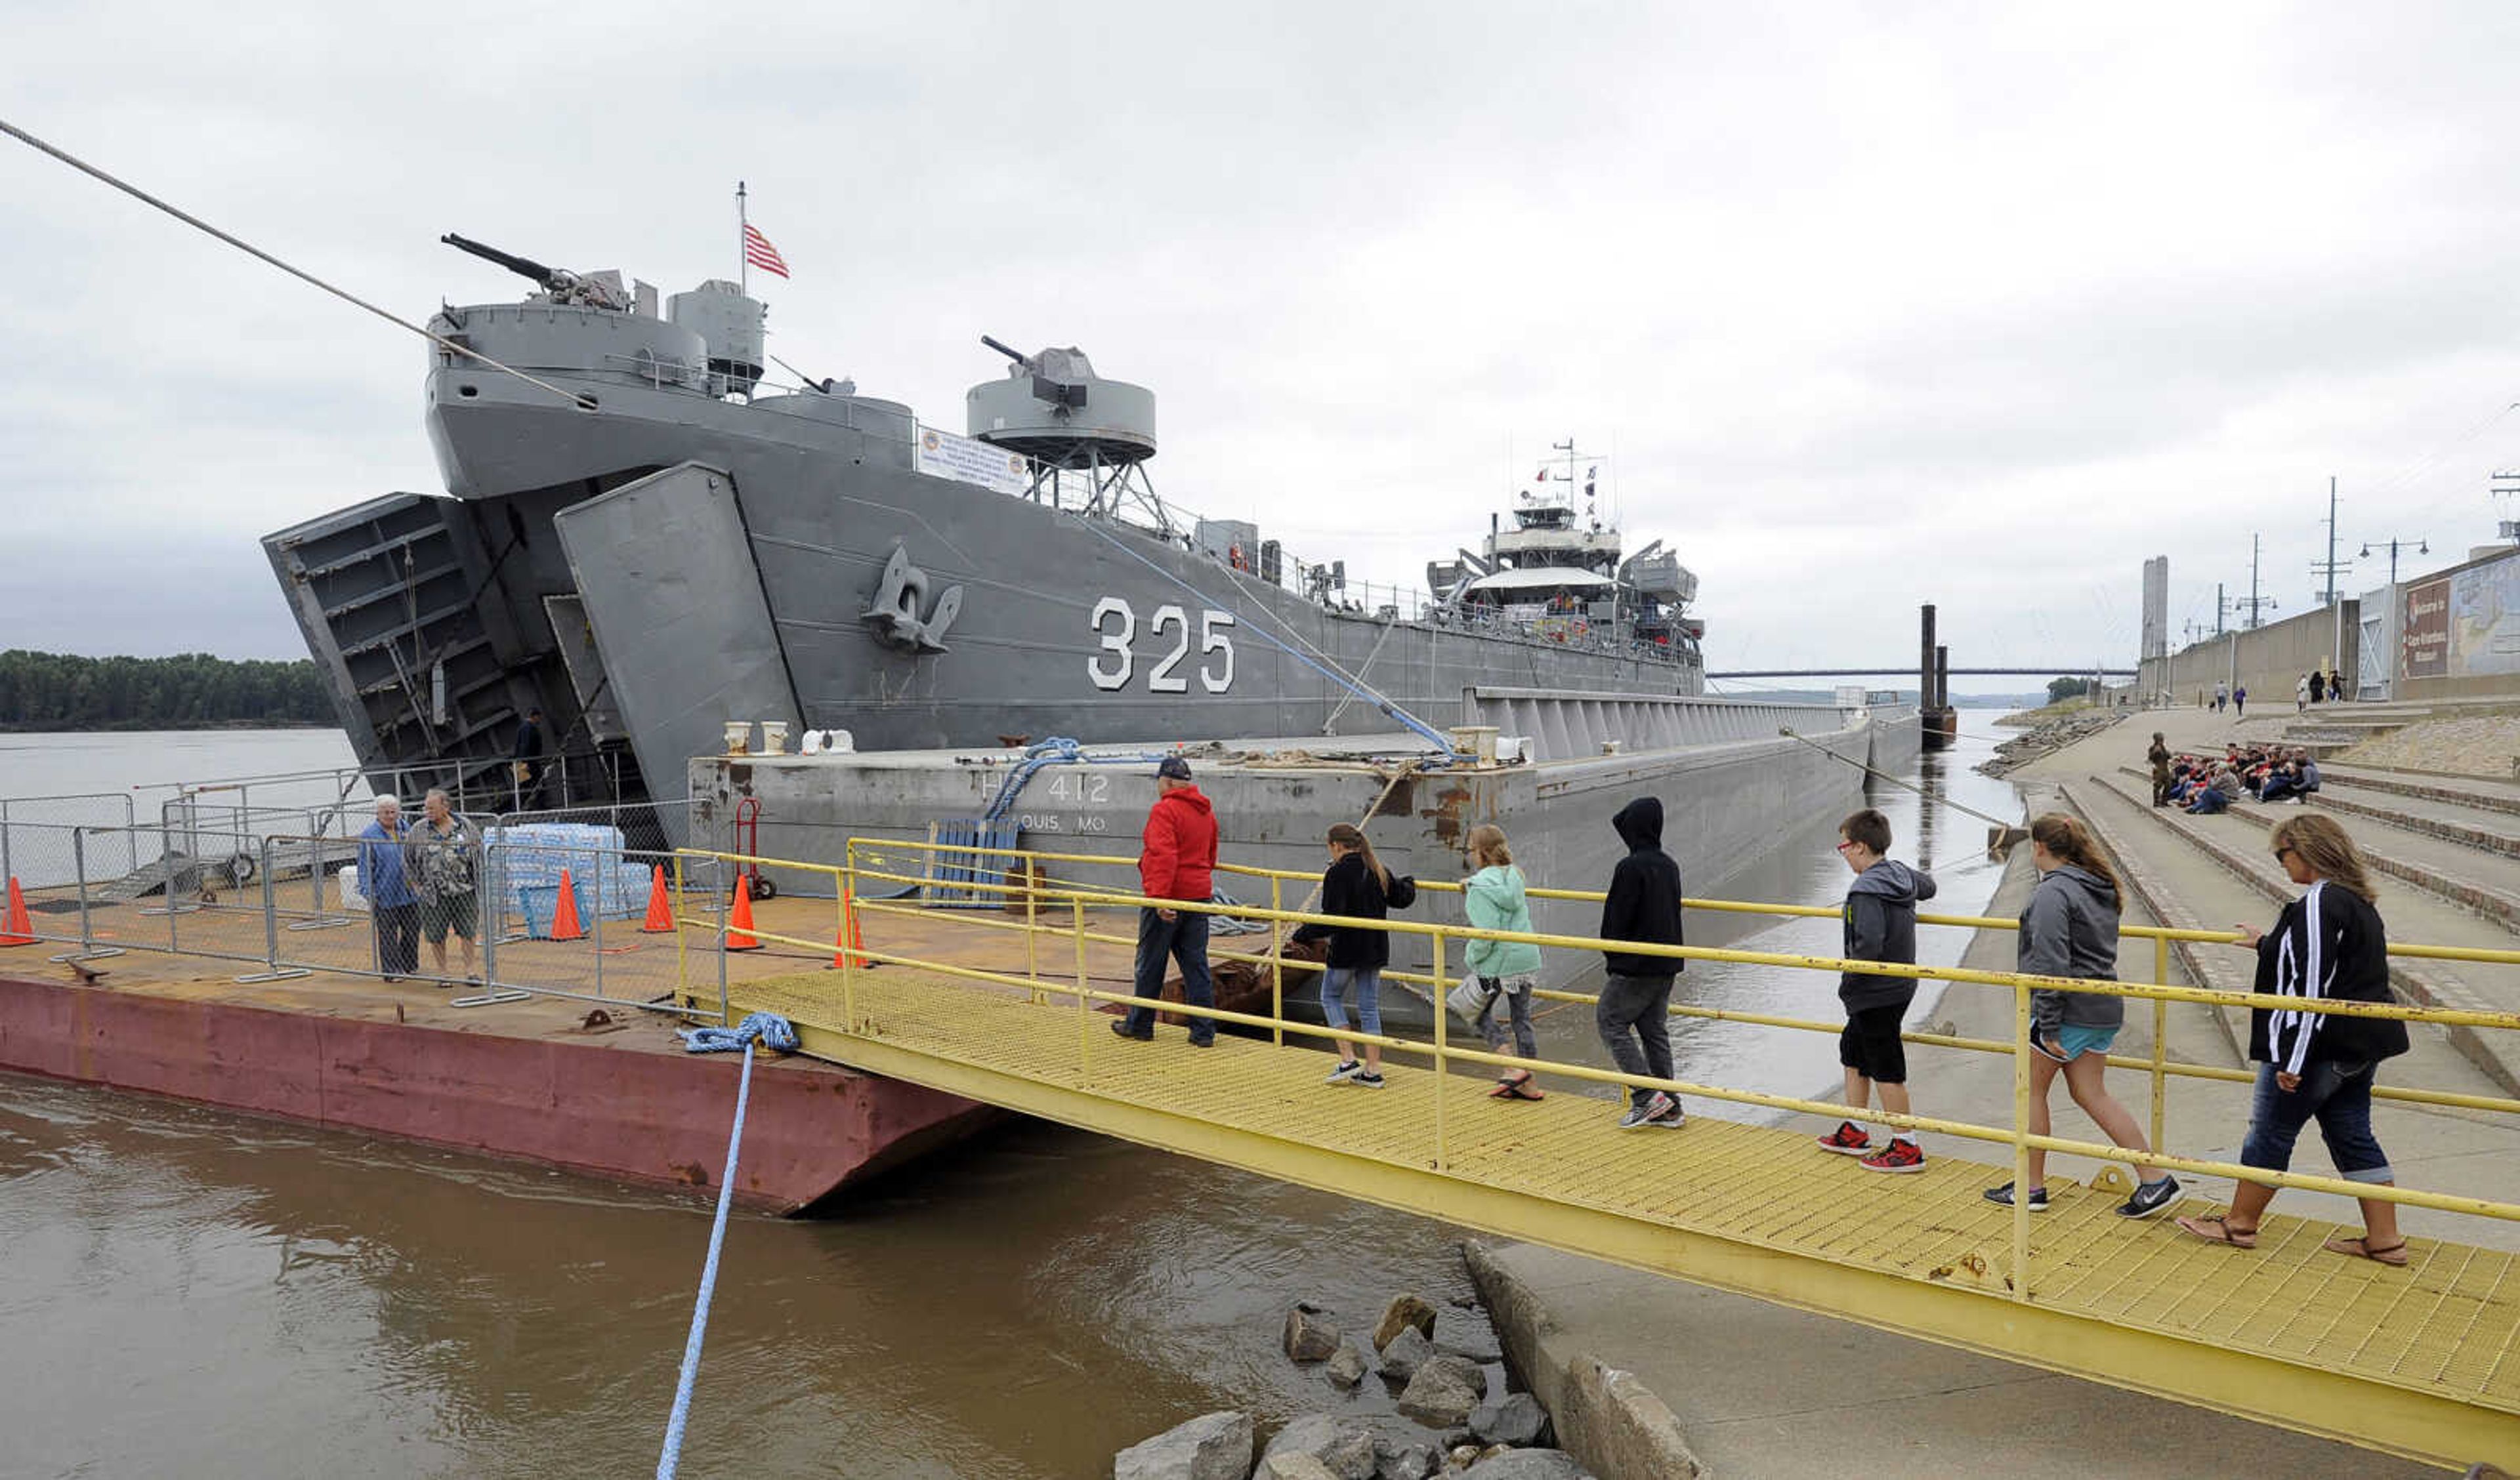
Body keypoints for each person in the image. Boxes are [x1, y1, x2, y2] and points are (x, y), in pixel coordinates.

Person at [2175, 815, 2410, 1264]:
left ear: (2305, 851)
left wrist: (2293, 1060)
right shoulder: (2356, 901)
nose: (2280, 863)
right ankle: (2386, 1240)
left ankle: (2239, 1225)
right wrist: (2268, 944)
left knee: (2269, 1133)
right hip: (2358, 1047)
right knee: (2352, 1134)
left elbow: (2312, 987)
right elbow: (2329, 963)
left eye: (2282, 854)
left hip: (2318, 1048)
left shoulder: (2321, 903)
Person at [1984, 813, 2181, 1218]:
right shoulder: (2098, 884)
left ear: (2039, 847)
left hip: (2067, 1009)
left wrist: (2050, 1021)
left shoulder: (2052, 894)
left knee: (2031, 1092)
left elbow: (2051, 960)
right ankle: (2154, 1179)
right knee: (2091, 1093)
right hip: (2101, 1004)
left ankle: (2031, 1187)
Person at [1816, 808, 1937, 1172]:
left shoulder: (1865, 890)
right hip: (1900, 982)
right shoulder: (1898, 873)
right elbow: (1929, 887)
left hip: (1875, 987)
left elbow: (1867, 945)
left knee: (1885, 1064)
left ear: (1862, 847)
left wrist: (1848, 983)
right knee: (1853, 1049)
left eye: (1845, 846)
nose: (1843, 853)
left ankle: (1907, 1144)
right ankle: (1855, 1128)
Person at [1292, 822, 1416, 1086]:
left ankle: (1347, 1059)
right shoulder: (1377, 869)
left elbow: (1332, 918)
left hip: (1347, 949)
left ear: (1336, 846)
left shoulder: (1338, 873)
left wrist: (1303, 932)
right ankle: (1373, 1070)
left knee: (1330, 996)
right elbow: (1401, 898)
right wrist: (1409, 883)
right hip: (1374, 948)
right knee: (1369, 1007)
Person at [1115, 755, 1220, 1046]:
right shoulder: (1206, 813)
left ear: (1168, 781)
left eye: (1159, 781)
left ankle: (1140, 1025)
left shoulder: (1164, 811)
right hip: (1198, 897)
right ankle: (1203, 1031)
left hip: (1169, 898)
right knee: (1196, 965)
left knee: (1150, 963)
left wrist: (1160, 898)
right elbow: (1210, 857)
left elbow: (1163, 856)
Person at [1598, 797, 1687, 1129]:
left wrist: (1614, 958)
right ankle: (1671, 1106)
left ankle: (1647, 1097)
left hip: (1635, 966)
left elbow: (1616, 918)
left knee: (1609, 1021)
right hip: (1667, 964)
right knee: (1654, 1032)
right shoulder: (1669, 865)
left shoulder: (1630, 867)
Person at [1461, 823, 1544, 1098]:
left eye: (1471, 850)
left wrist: (1472, 957)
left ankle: (1511, 1068)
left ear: (1481, 853)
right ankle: (1529, 1084)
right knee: (1522, 1020)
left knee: (1473, 1011)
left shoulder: (1479, 887)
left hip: (1498, 961)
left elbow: (1487, 933)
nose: (1470, 855)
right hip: (1526, 955)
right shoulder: (1515, 876)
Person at [407, 789, 481, 985]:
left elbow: (479, 855)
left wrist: (479, 883)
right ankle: (443, 973)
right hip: (433, 894)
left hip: (465, 890)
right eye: (426, 808)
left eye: (432, 808)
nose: (427, 811)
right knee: (436, 934)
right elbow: (408, 861)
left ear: (446, 807)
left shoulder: (465, 827)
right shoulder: (419, 830)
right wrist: (417, 887)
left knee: (468, 932)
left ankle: (470, 972)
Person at [358, 795, 419, 980]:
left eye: (393, 812)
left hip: (408, 890)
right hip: (384, 892)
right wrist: (368, 891)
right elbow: (364, 865)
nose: (390, 816)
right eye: (386, 812)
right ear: (378, 813)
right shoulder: (369, 835)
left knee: (413, 928)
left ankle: (409, 964)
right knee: (388, 934)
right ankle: (392, 971)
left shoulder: (405, 828)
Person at [511, 707, 547, 806]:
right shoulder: (528, 728)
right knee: (536, 784)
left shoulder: (524, 727)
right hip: (528, 762)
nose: (540, 720)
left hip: (524, 761)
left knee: (525, 786)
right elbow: (525, 746)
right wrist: (525, 763)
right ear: (535, 716)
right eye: (539, 717)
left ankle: (520, 808)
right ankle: (539, 806)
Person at [2147, 732, 2173, 808]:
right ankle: (2156, 803)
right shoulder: (2152, 748)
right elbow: (2150, 758)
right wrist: (2155, 752)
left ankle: (2164, 801)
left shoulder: (2163, 748)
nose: (2162, 740)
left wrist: (2169, 754)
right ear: (2156, 739)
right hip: (2158, 769)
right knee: (2157, 786)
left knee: (2168, 785)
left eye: (2162, 739)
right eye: (2160, 739)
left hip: (2165, 769)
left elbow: (2168, 756)